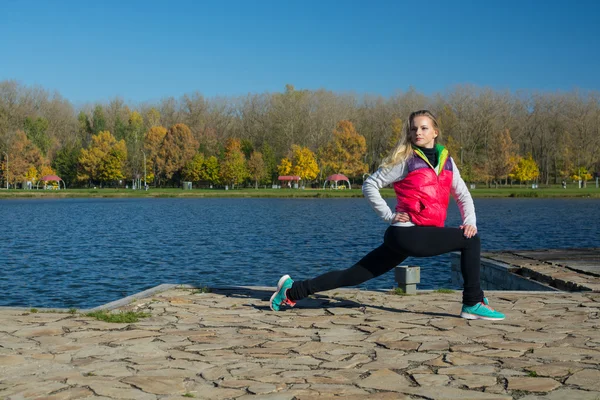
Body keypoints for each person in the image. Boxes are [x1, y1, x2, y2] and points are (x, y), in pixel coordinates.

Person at [270, 109, 505, 321]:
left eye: (424, 128)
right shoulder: (406, 160)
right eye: (413, 129)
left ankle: (292, 291)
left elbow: (463, 195)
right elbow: (370, 184)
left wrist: (470, 222)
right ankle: (473, 302)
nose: (418, 132)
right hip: (407, 233)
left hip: (417, 234)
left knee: (353, 275)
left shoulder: (448, 163)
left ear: (435, 132)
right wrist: (389, 215)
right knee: (470, 241)